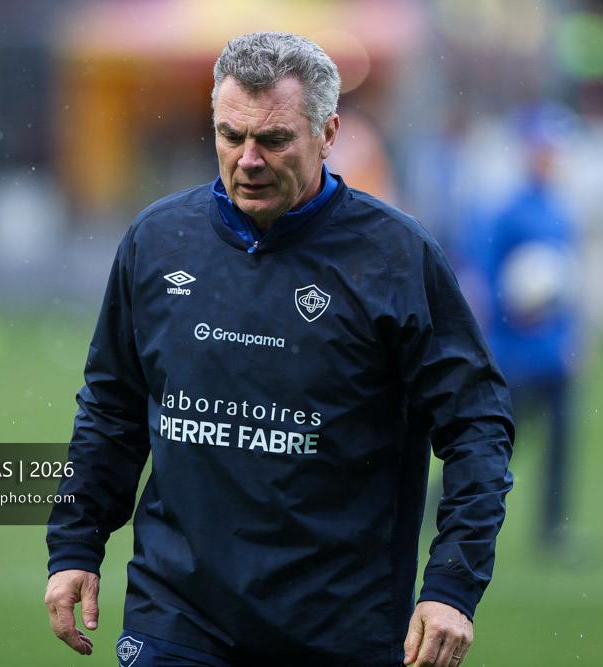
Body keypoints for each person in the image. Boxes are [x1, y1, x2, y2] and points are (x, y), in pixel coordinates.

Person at [44, 31, 514, 667]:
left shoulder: (396, 258)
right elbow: (112, 407)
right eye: (230, 135)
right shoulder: (158, 242)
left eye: (273, 139)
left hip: (338, 631)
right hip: (176, 622)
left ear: (327, 133)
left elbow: (477, 424)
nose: (248, 159)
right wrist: (76, 544)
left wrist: (453, 586)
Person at [462, 102, 581, 558]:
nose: (551, 155)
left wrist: (574, 335)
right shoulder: (505, 211)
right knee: (493, 449)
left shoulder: (560, 210)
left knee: (562, 446)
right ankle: (436, 511)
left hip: (554, 353)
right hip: (514, 355)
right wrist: (510, 312)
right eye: (543, 146)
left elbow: (566, 282)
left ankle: (553, 532)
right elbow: (482, 280)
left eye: (555, 147)